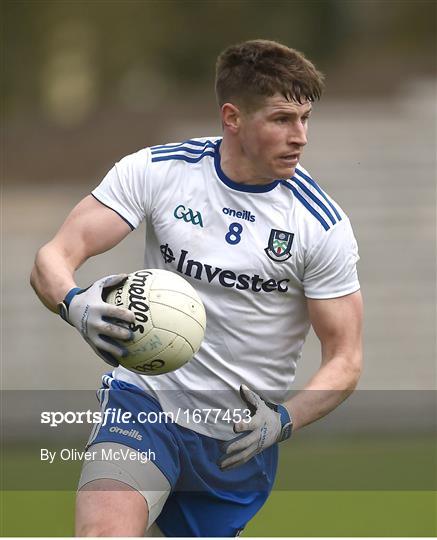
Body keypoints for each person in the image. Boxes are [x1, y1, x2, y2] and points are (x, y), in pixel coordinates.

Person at [30, 39, 363, 537]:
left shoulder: (320, 225)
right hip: (146, 403)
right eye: (281, 120)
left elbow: (346, 357)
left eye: (305, 119)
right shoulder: (160, 172)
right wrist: (76, 306)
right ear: (232, 118)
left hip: (233, 444)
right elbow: (53, 258)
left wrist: (282, 420)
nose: (300, 136)